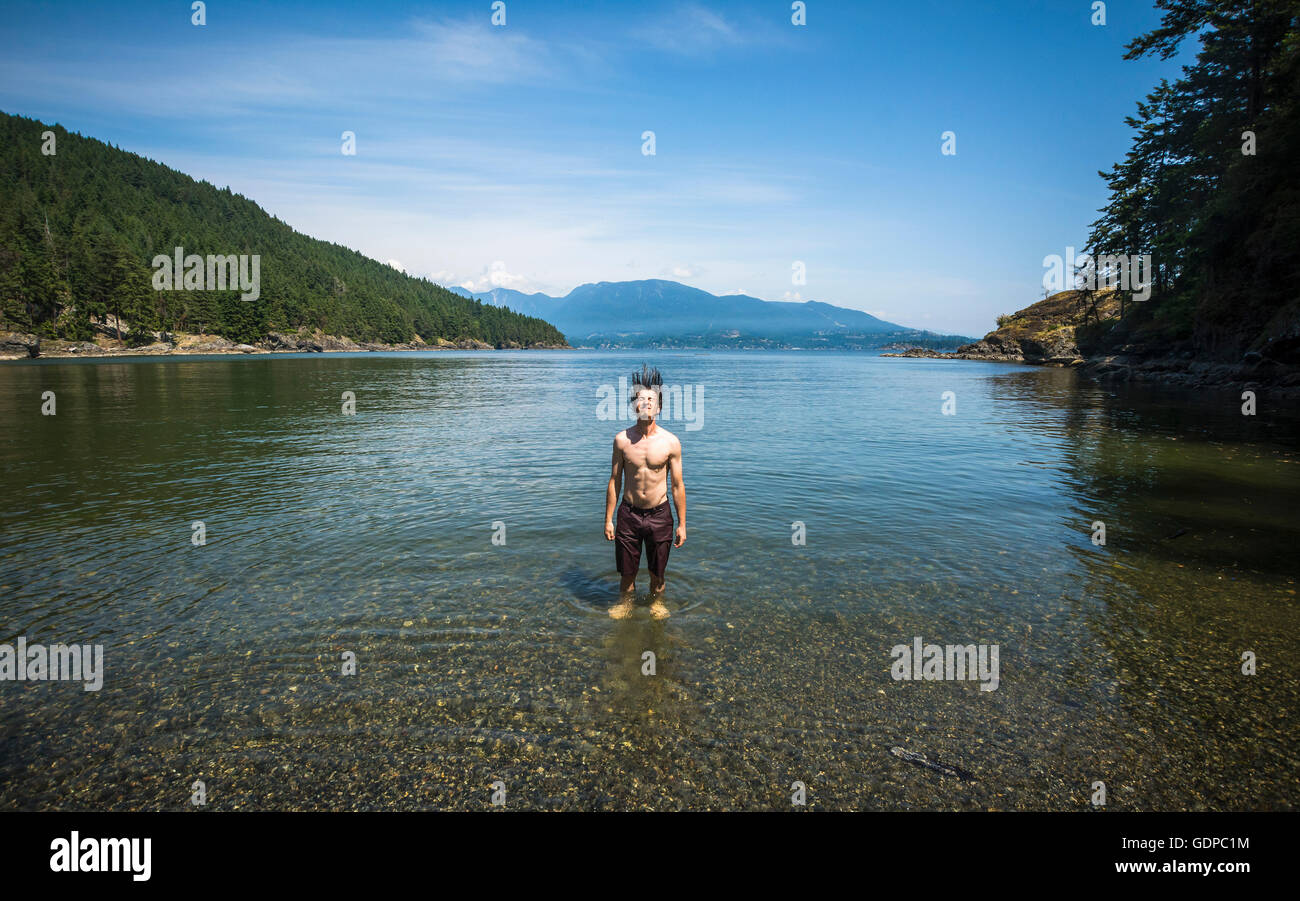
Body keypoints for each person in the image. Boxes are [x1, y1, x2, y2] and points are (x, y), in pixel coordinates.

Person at [605, 365, 685, 619]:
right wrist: (608, 519)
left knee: (657, 572)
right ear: (634, 406)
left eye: (652, 399)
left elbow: (677, 486)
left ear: (659, 407)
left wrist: (682, 524)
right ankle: (625, 604)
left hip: (660, 514)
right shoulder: (622, 440)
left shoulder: (670, 442)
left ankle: (657, 604)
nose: (647, 403)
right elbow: (614, 480)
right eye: (641, 399)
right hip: (628, 514)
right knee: (627, 572)